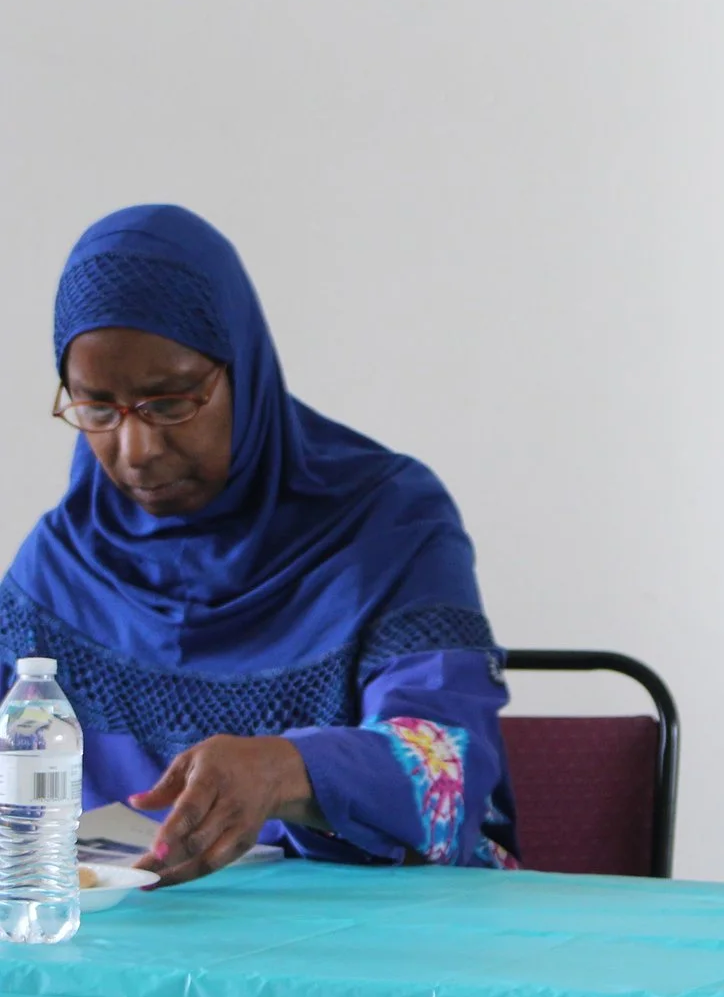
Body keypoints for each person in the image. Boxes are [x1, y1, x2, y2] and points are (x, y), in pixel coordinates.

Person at [0, 205, 518, 883]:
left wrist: (286, 771)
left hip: (367, 948)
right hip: (124, 957)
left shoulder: (386, 525)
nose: (137, 449)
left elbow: (448, 765)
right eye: (97, 409)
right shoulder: (60, 571)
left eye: (170, 402)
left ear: (242, 370)